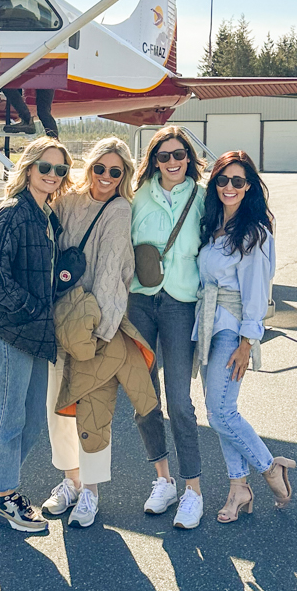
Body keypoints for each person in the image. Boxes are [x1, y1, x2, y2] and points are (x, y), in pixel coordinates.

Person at [0, 135, 70, 532]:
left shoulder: (47, 215)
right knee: (9, 415)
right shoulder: (14, 212)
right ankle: (5, 496)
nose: (52, 175)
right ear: (29, 169)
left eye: (60, 170)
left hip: (36, 334)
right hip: (10, 331)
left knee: (30, 421)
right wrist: (31, 307)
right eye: (45, 167)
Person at [194, 150, 296, 523]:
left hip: (232, 329)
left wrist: (247, 342)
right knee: (221, 412)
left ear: (249, 185)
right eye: (223, 180)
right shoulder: (212, 225)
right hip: (207, 325)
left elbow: (257, 291)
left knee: (220, 411)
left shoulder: (254, 233)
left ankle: (270, 467)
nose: (229, 187)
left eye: (238, 181)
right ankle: (239, 487)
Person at [42, 138, 137, 527]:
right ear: (90, 167)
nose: (106, 178)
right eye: (100, 169)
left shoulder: (119, 210)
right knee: (57, 406)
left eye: (116, 172)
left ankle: (91, 491)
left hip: (94, 325)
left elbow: (117, 273)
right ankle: (70, 480)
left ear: (124, 176)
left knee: (93, 411)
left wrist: (103, 331)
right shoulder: (66, 202)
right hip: (59, 318)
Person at [127, 125, 207, 529]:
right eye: (164, 156)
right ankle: (163, 481)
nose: (173, 162)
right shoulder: (137, 196)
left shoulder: (204, 197)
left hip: (181, 303)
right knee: (145, 398)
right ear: (154, 160)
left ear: (189, 159)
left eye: (179, 155)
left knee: (179, 401)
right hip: (140, 301)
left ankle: (194, 491)